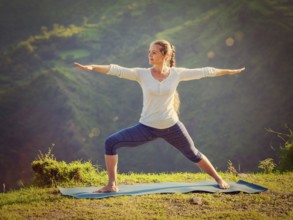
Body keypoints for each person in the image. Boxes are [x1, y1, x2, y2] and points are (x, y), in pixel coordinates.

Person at [75, 39, 245, 193]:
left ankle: (219, 179)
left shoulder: (177, 74)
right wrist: (93, 67)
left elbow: (205, 71)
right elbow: (117, 70)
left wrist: (229, 71)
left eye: (154, 52)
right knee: (110, 142)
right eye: (149, 52)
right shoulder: (141, 74)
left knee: (193, 153)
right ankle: (112, 184)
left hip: (172, 126)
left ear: (165, 55)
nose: (149, 55)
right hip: (147, 127)